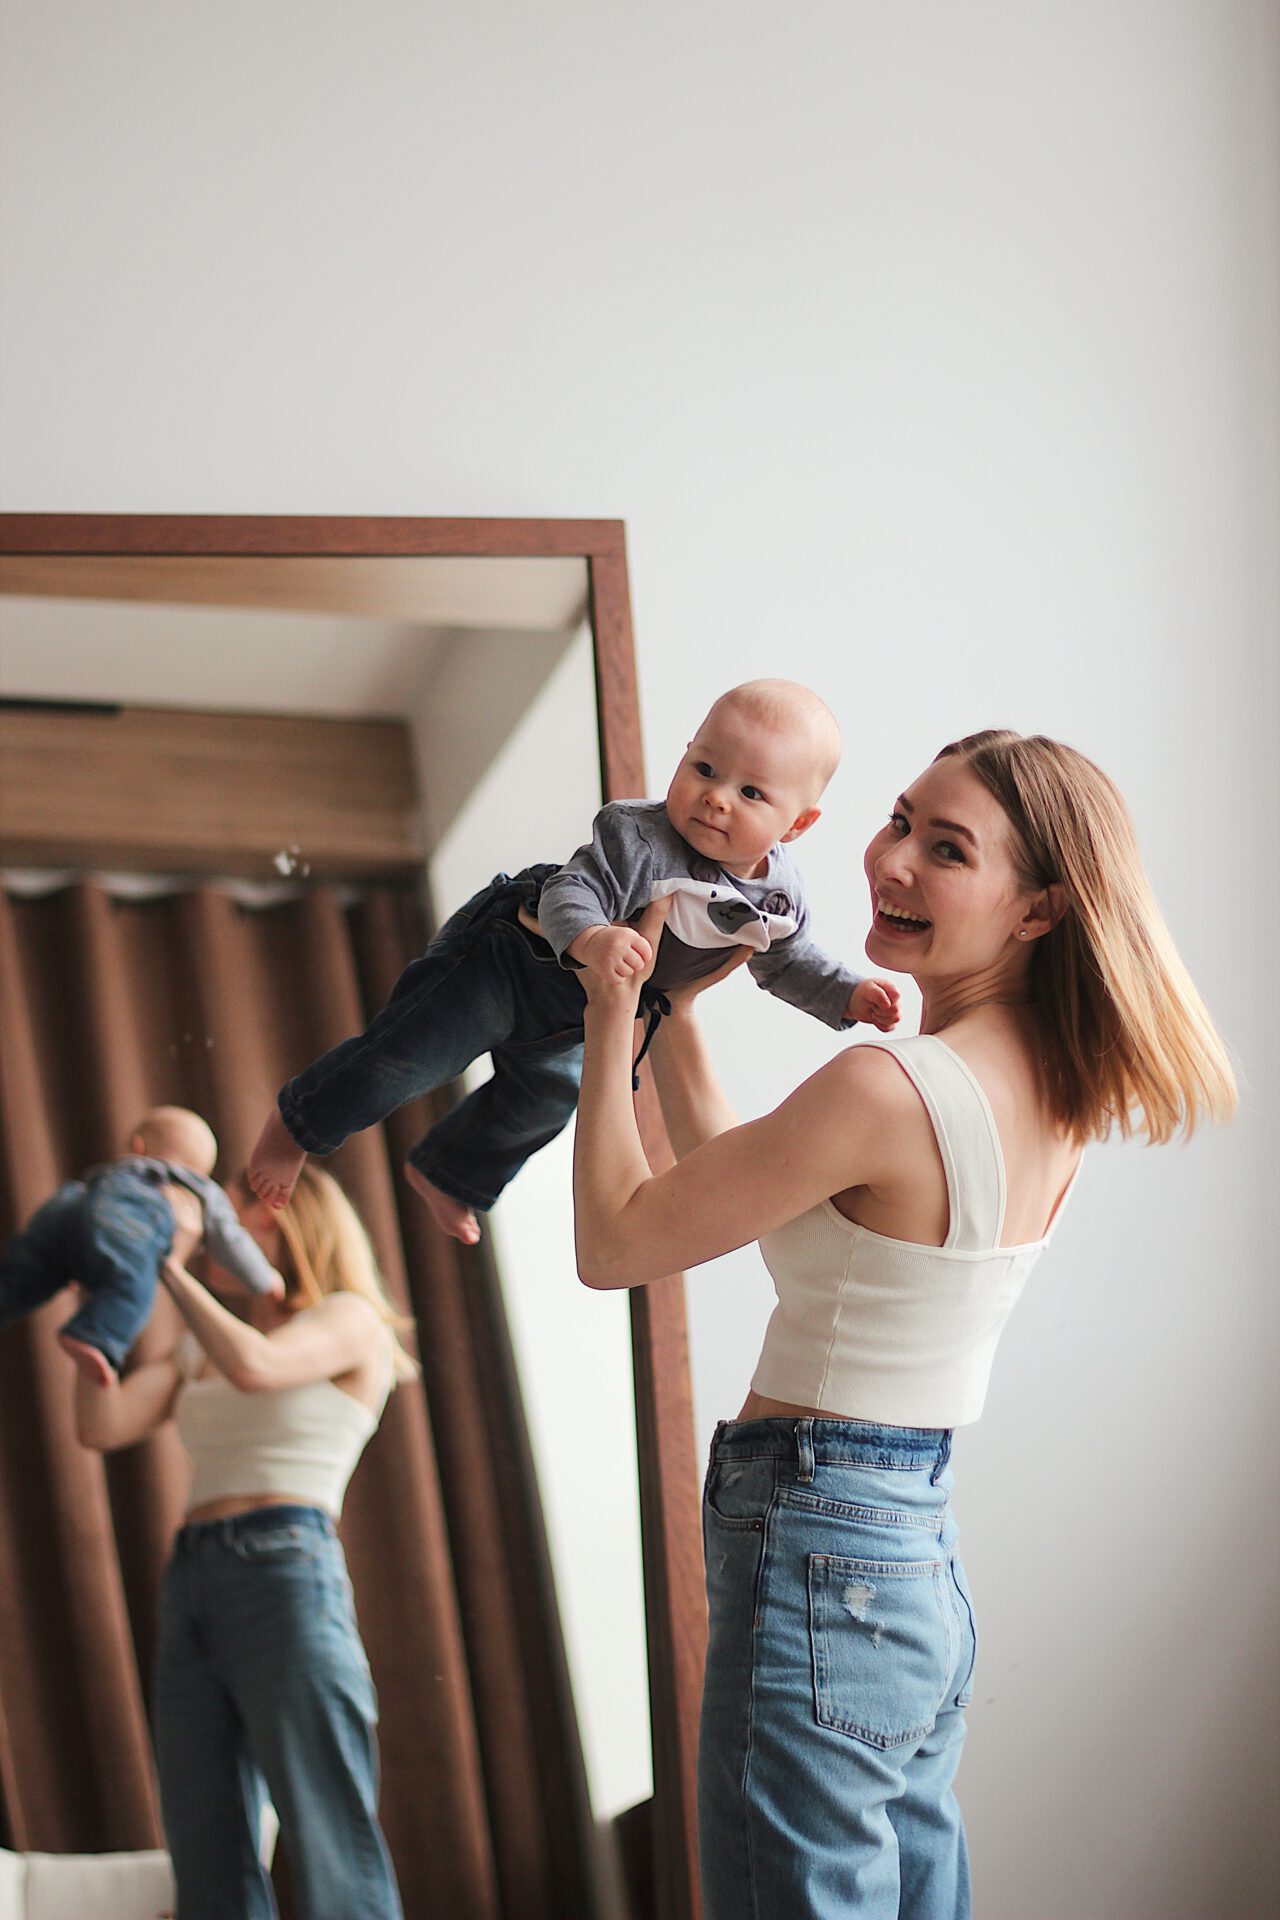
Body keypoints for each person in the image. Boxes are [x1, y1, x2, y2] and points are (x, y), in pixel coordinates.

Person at [570, 728, 1237, 1920]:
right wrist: (674, 1007)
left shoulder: (885, 1088)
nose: (889, 864)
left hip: (814, 1547)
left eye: (945, 849)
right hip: (909, 1560)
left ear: (1035, 910)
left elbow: (615, 1243)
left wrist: (608, 1006)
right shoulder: (1045, 1089)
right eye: (895, 823)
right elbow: (741, 1178)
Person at [247, 679, 901, 1244]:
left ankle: (449, 1172)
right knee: (405, 1060)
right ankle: (297, 1125)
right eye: (704, 769)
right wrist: (593, 939)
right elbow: (569, 892)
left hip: (586, 1014)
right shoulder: (638, 834)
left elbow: (787, 964)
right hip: (512, 961)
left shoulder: (779, 897)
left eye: (751, 792)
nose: (717, 797)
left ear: (798, 824)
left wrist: (846, 996)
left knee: (547, 1103)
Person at [73, 1161, 415, 1920]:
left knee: (329, 1833)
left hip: (284, 1569)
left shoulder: (350, 1318)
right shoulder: (201, 1348)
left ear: (282, 1220)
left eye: (230, 1210)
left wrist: (161, 1264)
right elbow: (100, 1425)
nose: (209, 1232)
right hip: (192, 1574)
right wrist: (103, 1286)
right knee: (205, 1845)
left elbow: (258, 1366)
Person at [0, 1104, 282, 1387]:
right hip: (126, 1219)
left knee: (29, 1271)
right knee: (132, 1286)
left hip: (73, 1203)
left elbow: (90, 1212)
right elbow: (230, 1239)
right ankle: (94, 1335)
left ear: (138, 1146)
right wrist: (263, 1278)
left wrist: (73, 1251)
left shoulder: (123, 1169)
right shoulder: (200, 1189)